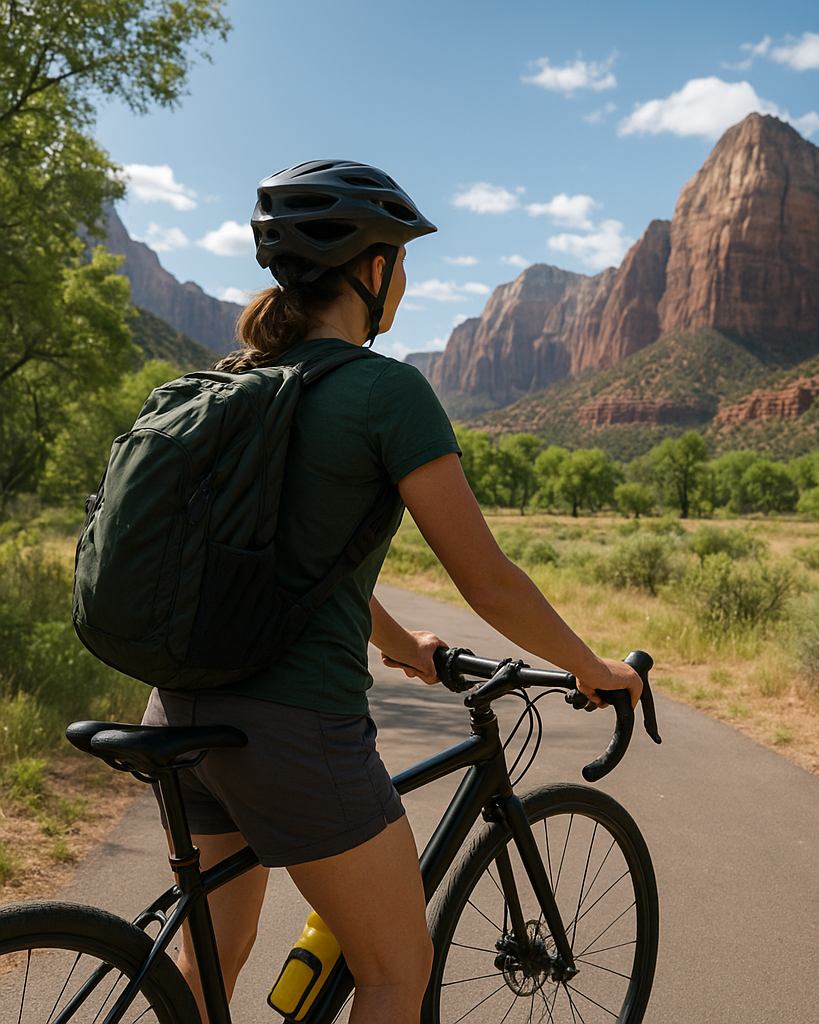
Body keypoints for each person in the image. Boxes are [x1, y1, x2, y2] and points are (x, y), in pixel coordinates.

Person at [141, 159, 641, 1024]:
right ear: (373, 271)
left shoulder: (240, 384)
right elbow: (486, 581)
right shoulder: (386, 391)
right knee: (396, 969)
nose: (405, 281)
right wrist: (590, 665)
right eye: (401, 262)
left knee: (204, 975)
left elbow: (283, 563)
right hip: (292, 732)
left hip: (179, 712)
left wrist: (402, 645)